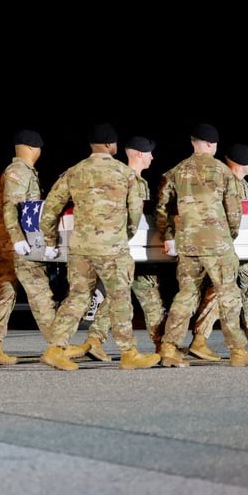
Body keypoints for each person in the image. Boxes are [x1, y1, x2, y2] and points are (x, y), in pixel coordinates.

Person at [40, 123, 161, 370]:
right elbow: (135, 214)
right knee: (119, 298)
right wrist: (124, 235)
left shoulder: (74, 172)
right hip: (112, 247)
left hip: (81, 248)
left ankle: (55, 349)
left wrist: (51, 241)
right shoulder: (125, 173)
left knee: (77, 297)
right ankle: (129, 354)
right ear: (110, 145)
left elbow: (49, 209)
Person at [155, 123, 248, 367]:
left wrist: (168, 236)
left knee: (186, 295)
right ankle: (237, 350)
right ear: (211, 145)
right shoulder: (222, 171)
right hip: (218, 244)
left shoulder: (175, 172)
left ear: (193, 142)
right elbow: (234, 211)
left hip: (188, 245)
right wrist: (231, 233)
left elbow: (162, 208)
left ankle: (169, 347)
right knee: (228, 294)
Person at [76, 135, 167, 361]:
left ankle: (95, 340)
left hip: (137, 252)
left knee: (124, 297)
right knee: (144, 298)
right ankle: (163, 347)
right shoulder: (126, 179)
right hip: (127, 251)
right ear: (138, 154)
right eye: (148, 153)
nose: (152, 158)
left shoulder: (137, 181)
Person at [0, 129, 57, 366]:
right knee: (41, 293)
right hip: (18, 247)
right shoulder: (18, 171)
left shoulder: (21, 172)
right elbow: (10, 206)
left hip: (9, 245)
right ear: (33, 149)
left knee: (5, 294)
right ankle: (59, 346)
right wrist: (18, 239)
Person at [189, 144, 248, 361]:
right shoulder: (227, 185)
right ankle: (201, 340)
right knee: (225, 290)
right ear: (245, 163)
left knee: (247, 291)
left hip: (241, 250)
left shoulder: (233, 185)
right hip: (226, 249)